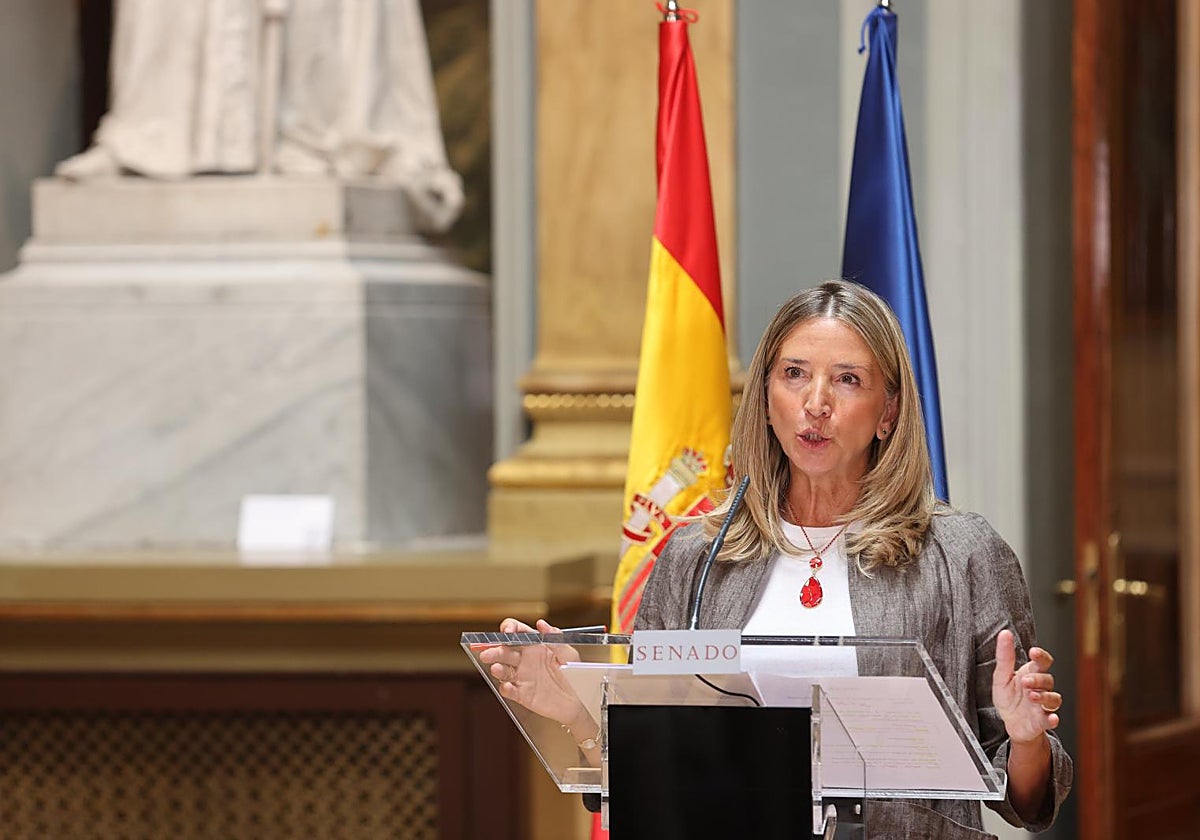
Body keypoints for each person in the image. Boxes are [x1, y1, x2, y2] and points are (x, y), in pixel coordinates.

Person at [484, 280, 1072, 837]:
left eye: (846, 380)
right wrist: (577, 711)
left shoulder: (961, 554)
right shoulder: (697, 558)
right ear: (767, 399)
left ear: (888, 412)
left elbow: (1025, 802)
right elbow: (654, 769)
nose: (815, 403)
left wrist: (1024, 739)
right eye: (794, 375)